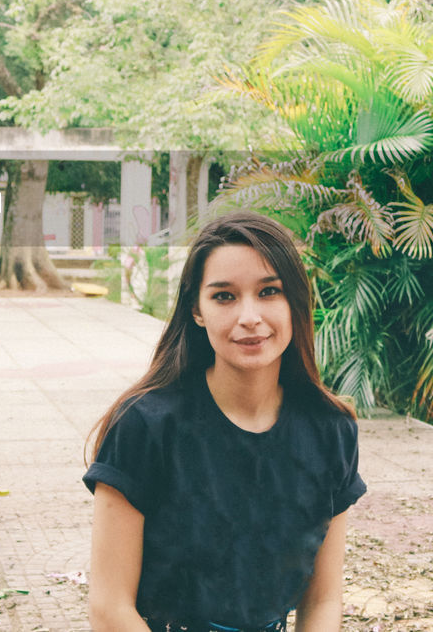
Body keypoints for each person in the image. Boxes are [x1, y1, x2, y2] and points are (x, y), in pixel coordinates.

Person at [83, 210, 365, 632]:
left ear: (294, 303)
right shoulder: (146, 426)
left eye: (269, 291)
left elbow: (323, 600)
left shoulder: (331, 431)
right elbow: (109, 607)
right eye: (224, 296)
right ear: (197, 310)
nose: (249, 317)